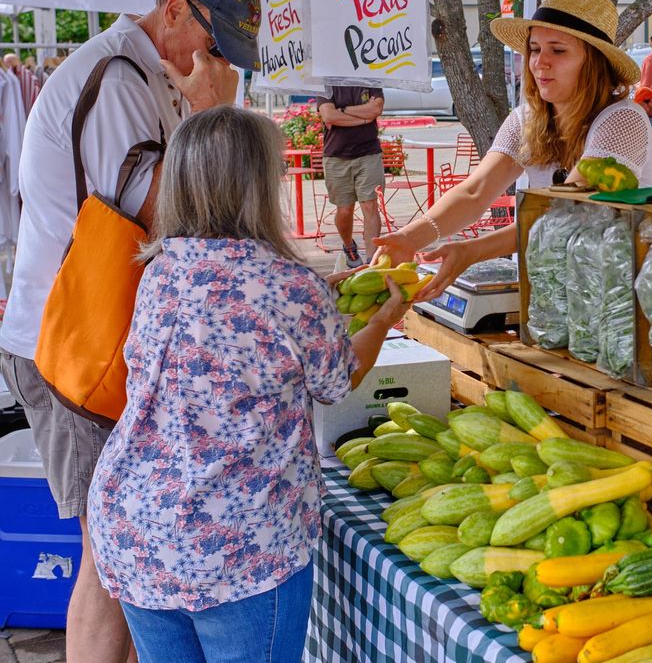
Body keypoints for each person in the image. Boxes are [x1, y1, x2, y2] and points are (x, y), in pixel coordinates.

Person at [0, 0, 260, 663]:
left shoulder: (153, 75)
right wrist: (215, 119)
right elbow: (171, 210)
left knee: (125, 549)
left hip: (111, 342)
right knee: (110, 555)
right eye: (213, 46)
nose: (215, 64)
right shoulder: (116, 78)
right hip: (75, 348)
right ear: (174, 10)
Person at [85, 106, 410, 663]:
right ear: (258, 184)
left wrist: (315, 296)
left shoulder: (161, 268)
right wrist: (380, 321)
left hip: (137, 525)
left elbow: (229, 332)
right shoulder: (290, 286)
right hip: (238, 542)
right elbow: (336, 378)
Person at [373, 0, 652, 298]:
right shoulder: (527, 119)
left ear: (594, 62)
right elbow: (474, 192)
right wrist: (408, 239)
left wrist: (472, 250)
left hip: (615, 296)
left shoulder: (624, 118)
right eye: (535, 49)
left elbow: (563, 211)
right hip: (548, 294)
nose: (540, 62)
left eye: (558, 50)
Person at [316, 85, 386, 267]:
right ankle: (349, 246)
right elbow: (329, 116)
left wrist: (343, 111)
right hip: (336, 156)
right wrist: (364, 119)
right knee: (344, 210)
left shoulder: (369, 80)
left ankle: (372, 260)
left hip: (369, 153)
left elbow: (376, 109)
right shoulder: (326, 84)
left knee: (370, 205)